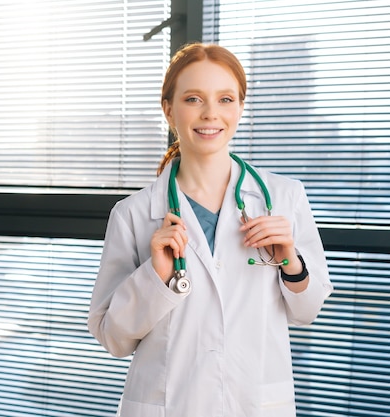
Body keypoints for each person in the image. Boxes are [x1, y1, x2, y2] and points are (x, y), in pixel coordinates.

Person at [87, 43, 333, 417]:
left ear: (240, 107)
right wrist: (155, 277)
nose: (210, 114)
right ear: (168, 108)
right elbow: (114, 338)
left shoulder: (284, 197)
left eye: (225, 99)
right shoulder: (133, 214)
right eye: (193, 99)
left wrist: (291, 262)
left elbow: (308, 310)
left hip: (254, 404)